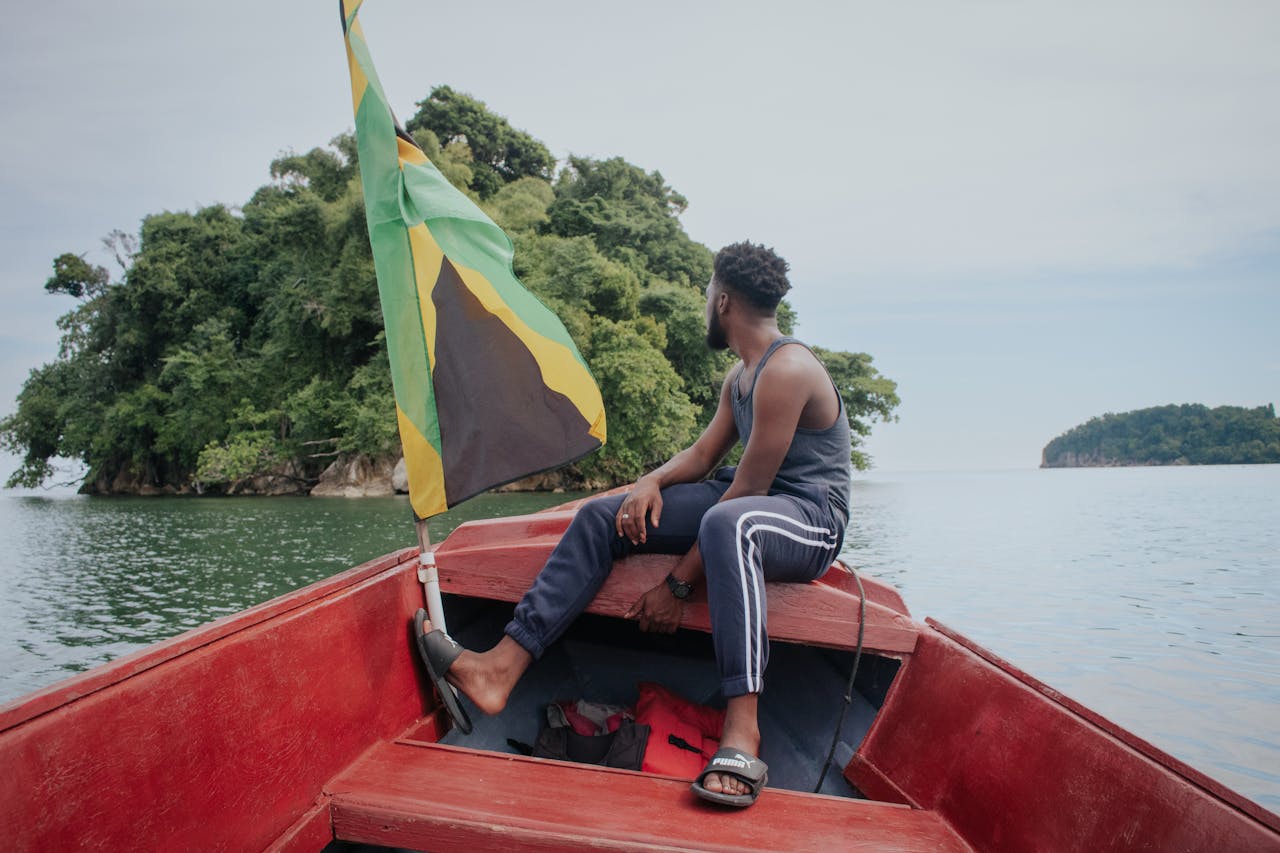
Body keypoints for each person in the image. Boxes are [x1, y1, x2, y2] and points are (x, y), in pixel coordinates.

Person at [416, 240, 852, 808]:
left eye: (705, 294)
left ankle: (743, 729)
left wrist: (676, 586)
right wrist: (646, 483)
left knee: (731, 523)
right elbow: (702, 458)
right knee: (603, 515)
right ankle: (500, 668)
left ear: (722, 301)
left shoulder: (788, 369)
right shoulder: (740, 375)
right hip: (745, 504)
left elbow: (748, 492)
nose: (704, 303)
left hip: (811, 517)